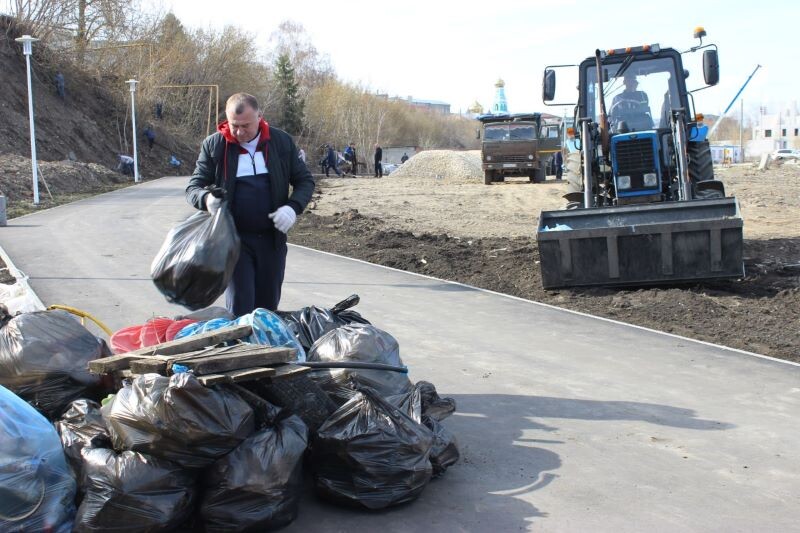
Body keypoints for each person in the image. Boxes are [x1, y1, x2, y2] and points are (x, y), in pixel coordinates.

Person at [186, 92, 315, 316]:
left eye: (245, 125)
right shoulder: (215, 146)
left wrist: (292, 208)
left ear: (259, 117)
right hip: (233, 241)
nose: (239, 132)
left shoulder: (281, 143)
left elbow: (305, 181)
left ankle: (264, 339)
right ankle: (238, 338)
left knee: (267, 310)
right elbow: (193, 188)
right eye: (234, 125)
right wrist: (207, 199)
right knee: (241, 308)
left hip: (272, 241)